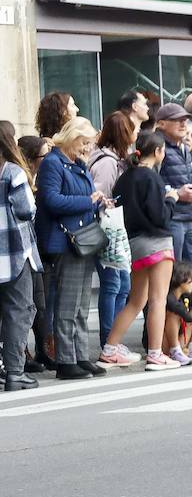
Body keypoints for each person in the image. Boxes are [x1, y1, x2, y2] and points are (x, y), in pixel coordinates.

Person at [36, 118, 109, 380]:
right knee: (67, 305)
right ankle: (66, 361)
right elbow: (51, 200)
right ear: (70, 137)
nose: (88, 148)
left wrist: (98, 202)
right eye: (84, 142)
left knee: (79, 306)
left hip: (82, 240)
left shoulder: (77, 163)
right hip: (66, 242)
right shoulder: (53, 163)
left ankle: (80, 356)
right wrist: (87, 200)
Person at [104, 128, 181, 371]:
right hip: (157, 242)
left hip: (134, 243)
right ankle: (156, 354)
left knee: (136, 300)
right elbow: (161, 217)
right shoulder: (152, 177)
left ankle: (110, 348)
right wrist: (171, 199)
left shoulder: (124, 178)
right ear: (158, 151)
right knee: (158, 299)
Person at [90, 111, 136, 348]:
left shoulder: (111, 159)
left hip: (113, 230)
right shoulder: (107, 162)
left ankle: (113, 339)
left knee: (122, 285)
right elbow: (98, 196)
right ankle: (109, 340)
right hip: (107, 230)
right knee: (113, 284)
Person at [0, 121, 40, 390]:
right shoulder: (12, 172)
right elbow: (26, 210)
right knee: (19, 309)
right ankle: (14, 371)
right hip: (13, 252)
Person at [155, 103, 192, 300]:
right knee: (173, 275)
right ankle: (173, 324)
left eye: (185, 119)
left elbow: (183, 181)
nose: (183, 124)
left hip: (189, 217)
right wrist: (177, 192)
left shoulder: (183, 147)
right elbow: (153, 184)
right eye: (177, 120)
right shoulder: (158, 147)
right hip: (173, 218)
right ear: (161, 124)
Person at [18, 135, 53, 372]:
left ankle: (42, 349)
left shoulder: (37, 179)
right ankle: (21, 352)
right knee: (23, 305)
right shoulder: (19, 177)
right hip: (23, 250)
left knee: (39, 303)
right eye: (44, 155)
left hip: (36, 250)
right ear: (32, 158)